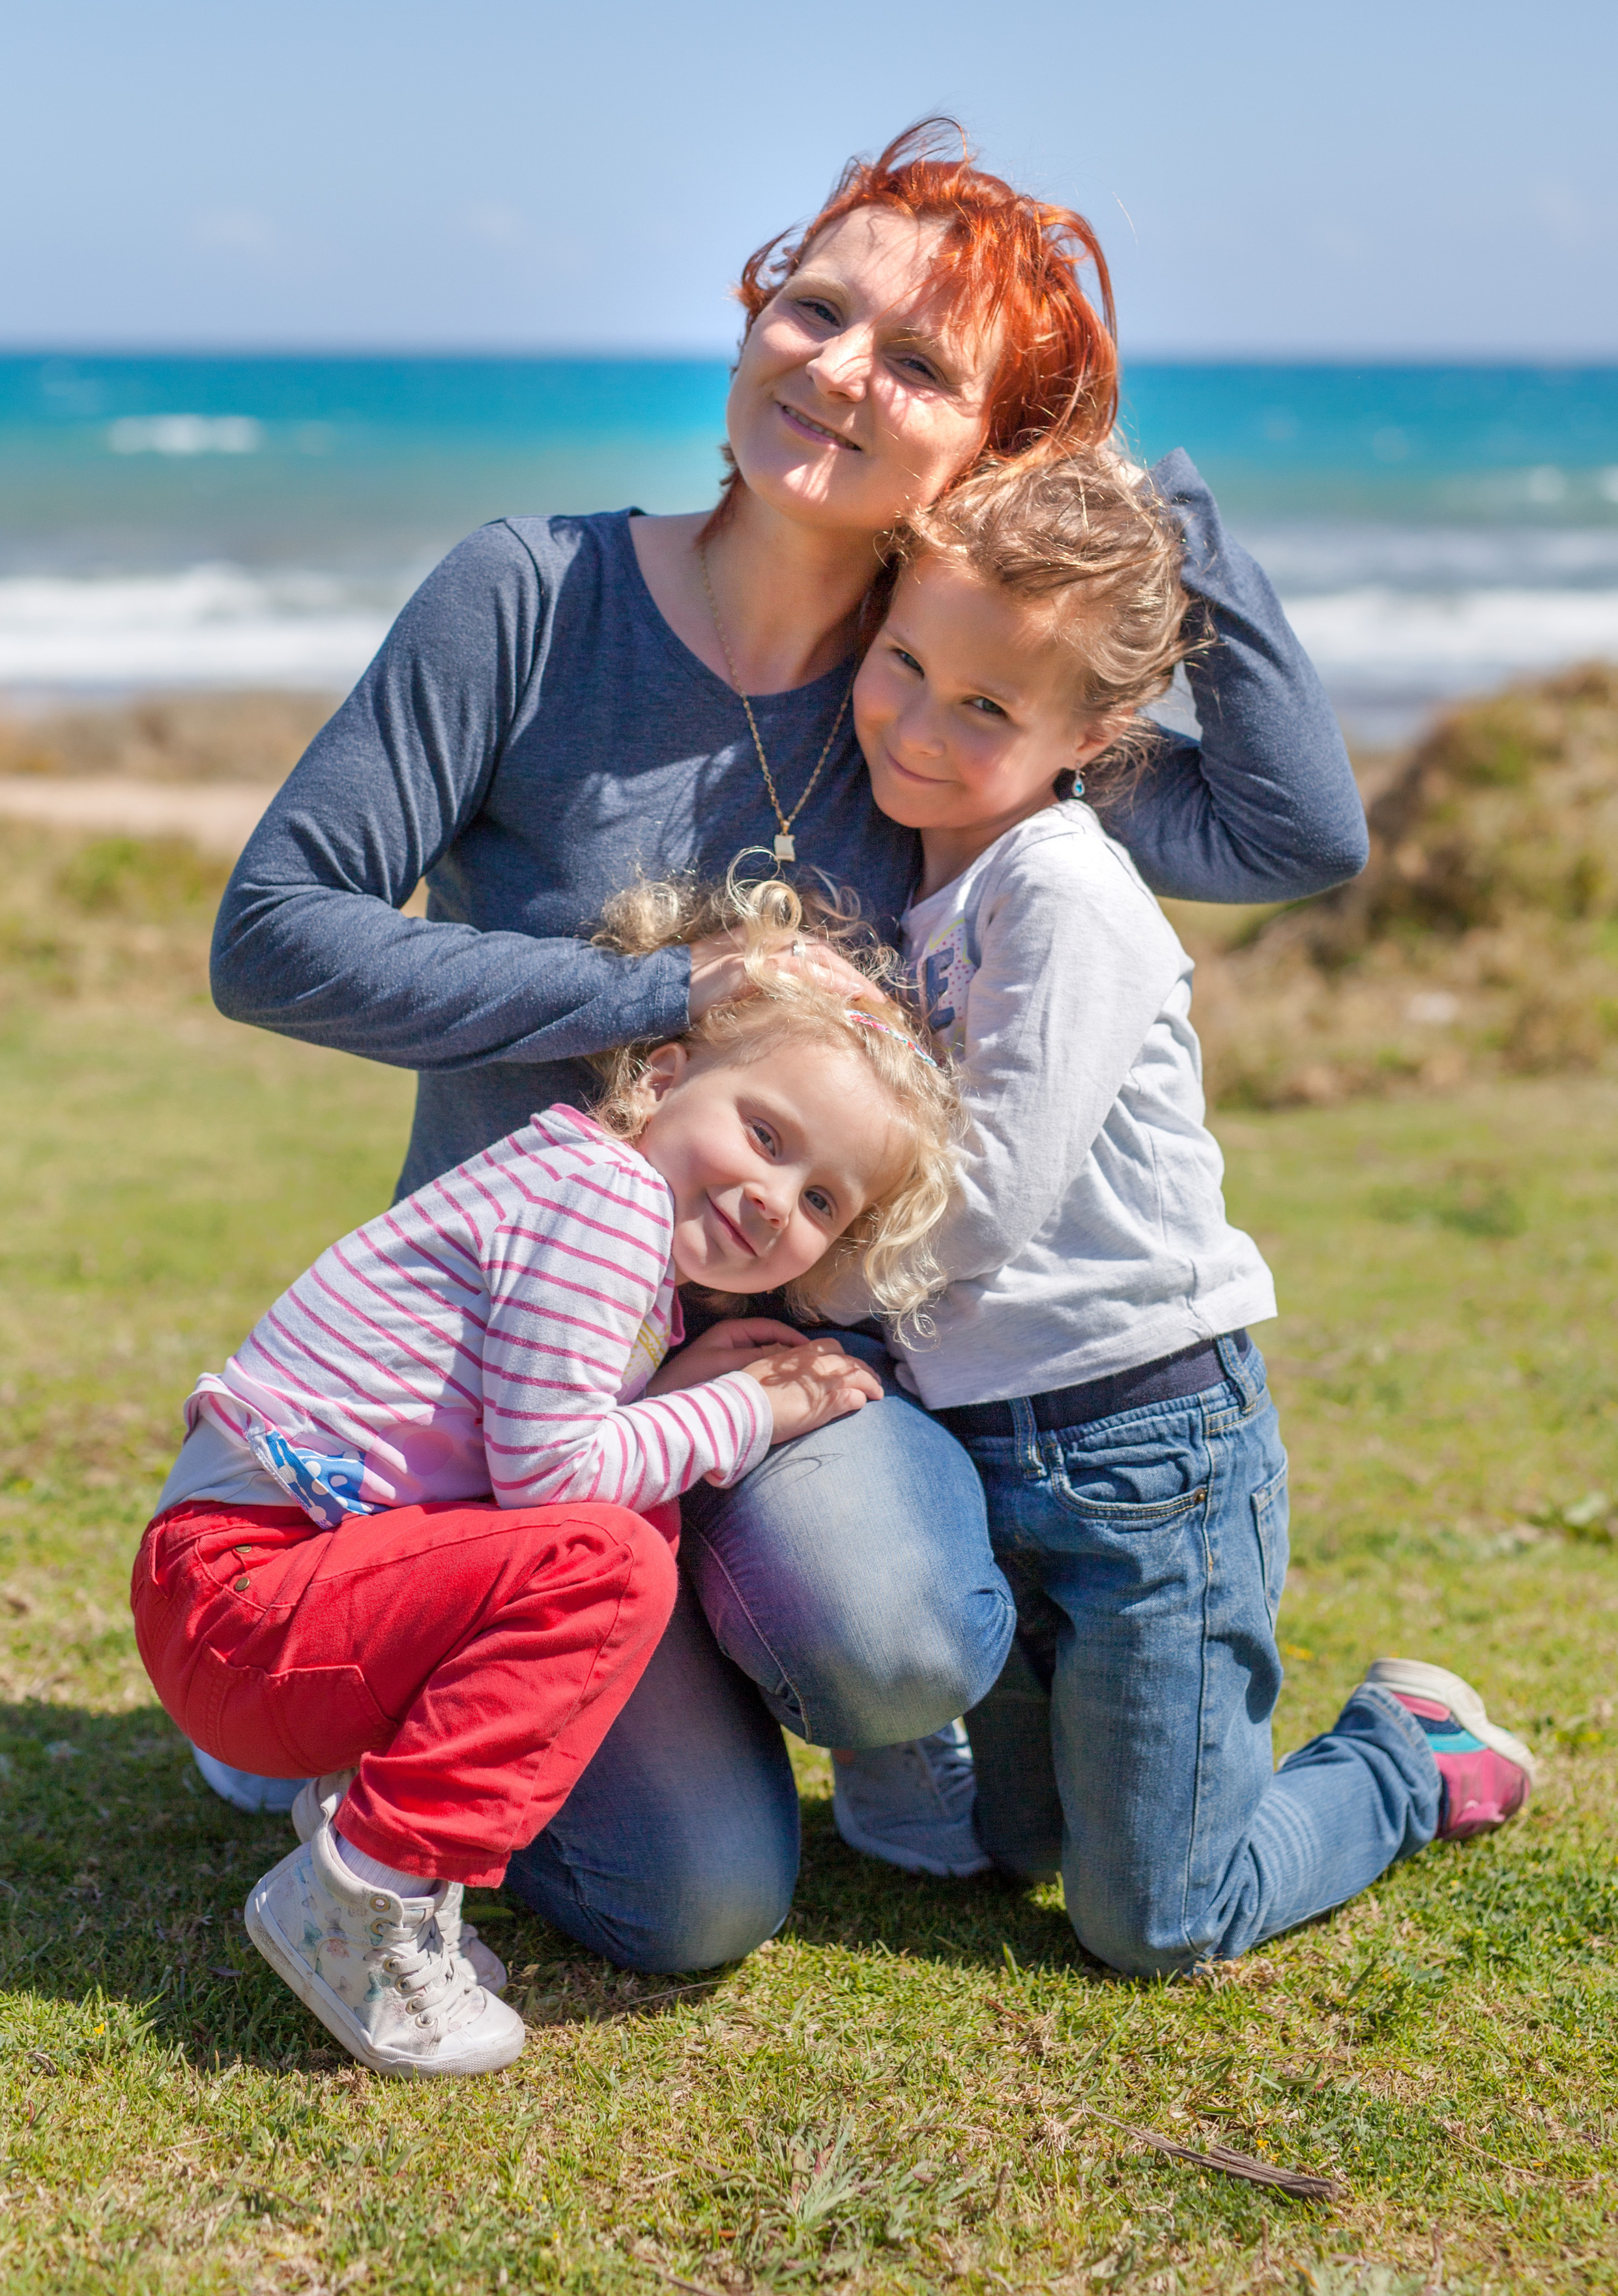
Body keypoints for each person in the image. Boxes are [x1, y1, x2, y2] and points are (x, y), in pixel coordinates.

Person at [201, 121, 1372, 1971]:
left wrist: (1147, 501)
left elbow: (1294, 831)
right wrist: (661, 993)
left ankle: (630, 1659)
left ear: (989, 444)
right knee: (696, 1903)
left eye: (917, 363)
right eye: (812, 309)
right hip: (505, 1389)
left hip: (777, 1388)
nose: (835, 368)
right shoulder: (532, 597)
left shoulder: (946, 706)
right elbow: (272, 935)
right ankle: (400, 1661)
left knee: (892, 1631)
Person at [835, 446, 1535, 1971]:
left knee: (1157, 1916)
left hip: (1144, 1446)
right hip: (984, 1442)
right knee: (1020, 1842)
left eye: (987, 707)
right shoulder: (919, 881)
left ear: (1092, 738)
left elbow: (989, 1191)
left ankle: (1406, 1750)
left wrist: (809, 1304)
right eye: (904, 661)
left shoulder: (1061, 890)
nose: (919, 724)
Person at [132, 898, 958, 2072]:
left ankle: (355, 1814)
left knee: (626, 1530)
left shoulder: (593, 1201)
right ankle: (363, 1896)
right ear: (662, 1076)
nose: (779, 1197)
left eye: (824, 1200)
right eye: (767, 1134)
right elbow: (553, 1477)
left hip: (250, 1590)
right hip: (244, 1599)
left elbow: (518, 1437)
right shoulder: (607, 1201)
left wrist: (673, 1384)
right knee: (612, 1561)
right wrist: (748, 1409)